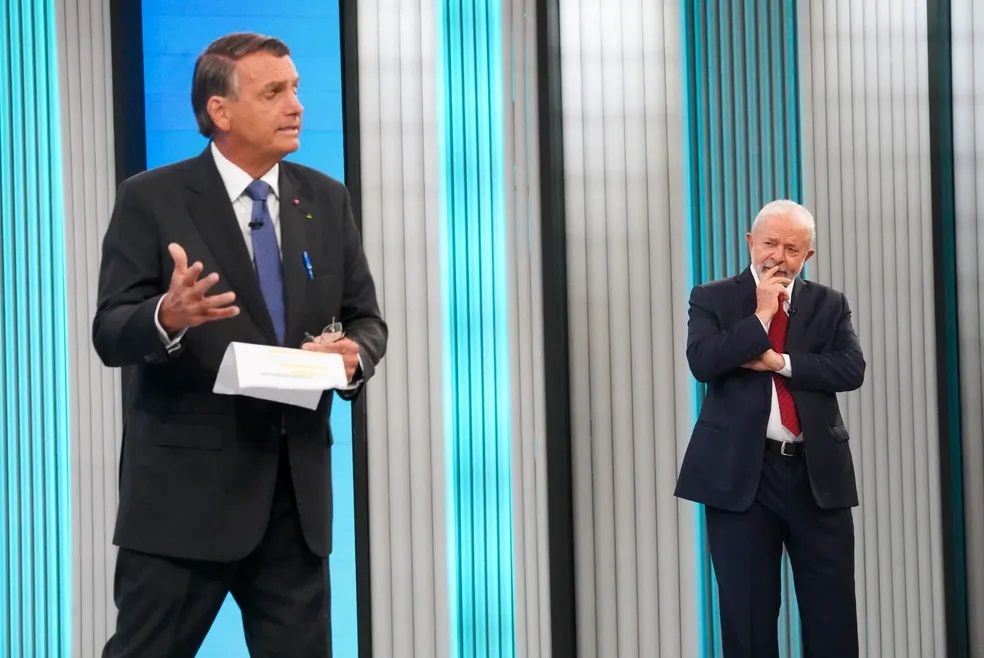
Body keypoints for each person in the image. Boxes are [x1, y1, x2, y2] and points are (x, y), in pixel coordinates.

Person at [92, 32, 386, 656]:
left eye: (296, 89)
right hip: (183, 502)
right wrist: (167, 315)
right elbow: (110, 331)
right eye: (274, 92)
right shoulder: (151, 198)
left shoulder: (325, 198)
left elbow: (365, 319)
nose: (296, 106)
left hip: (294, 502)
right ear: (220, 111)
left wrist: (355, 355)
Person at [675, 199, 864, 658]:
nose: (778, 256)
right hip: (742, 477)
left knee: (832, 618)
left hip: (816, 477)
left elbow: (850, 368)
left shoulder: (829, 303)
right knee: (748, 620)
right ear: (750, 242)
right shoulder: (712, 297)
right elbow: (703, 361)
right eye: (769, 244)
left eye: (792, 249)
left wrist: (781, 362)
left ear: (807, 255)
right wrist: (761, 316)